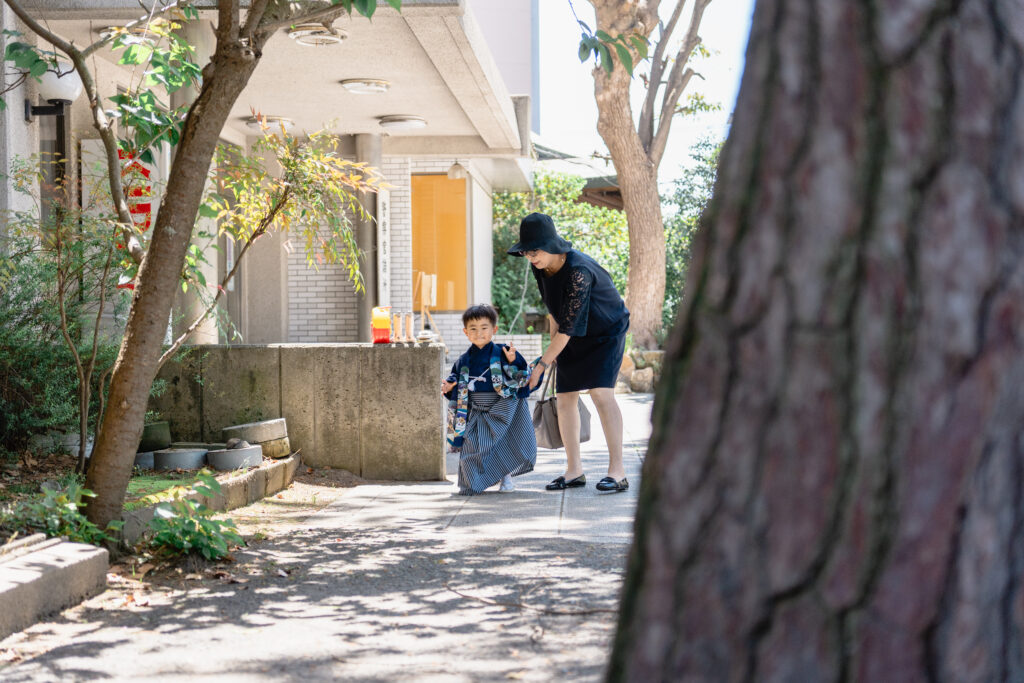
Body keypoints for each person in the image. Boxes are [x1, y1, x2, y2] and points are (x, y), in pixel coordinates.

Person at [508, 212, 630, 493]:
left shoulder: (579, 271)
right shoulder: (540, 267)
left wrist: (541, 364)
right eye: (526, 252)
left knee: (601, 393)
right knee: (564, 398)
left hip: (605, 332)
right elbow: (555, 312)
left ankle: (618, 471)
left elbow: (569, 326)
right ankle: (574, 471)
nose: (531, 257)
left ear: (551, 245)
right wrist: (552, 356)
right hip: (571, 332)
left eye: (535, 251)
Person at [443, 304, 539, 495]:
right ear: (465, 332)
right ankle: (472, 482)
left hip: (501, 406)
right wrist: (448, 388)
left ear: (494, 329)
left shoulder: (503, 352)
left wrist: (513, 361)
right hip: (476, 408)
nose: (479, 333)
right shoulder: (463, 361)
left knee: (502, 443)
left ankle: (506, 478)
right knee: (472, 446)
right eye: (473, 328)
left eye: (484, 328)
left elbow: (521, 375)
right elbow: (454, 384)